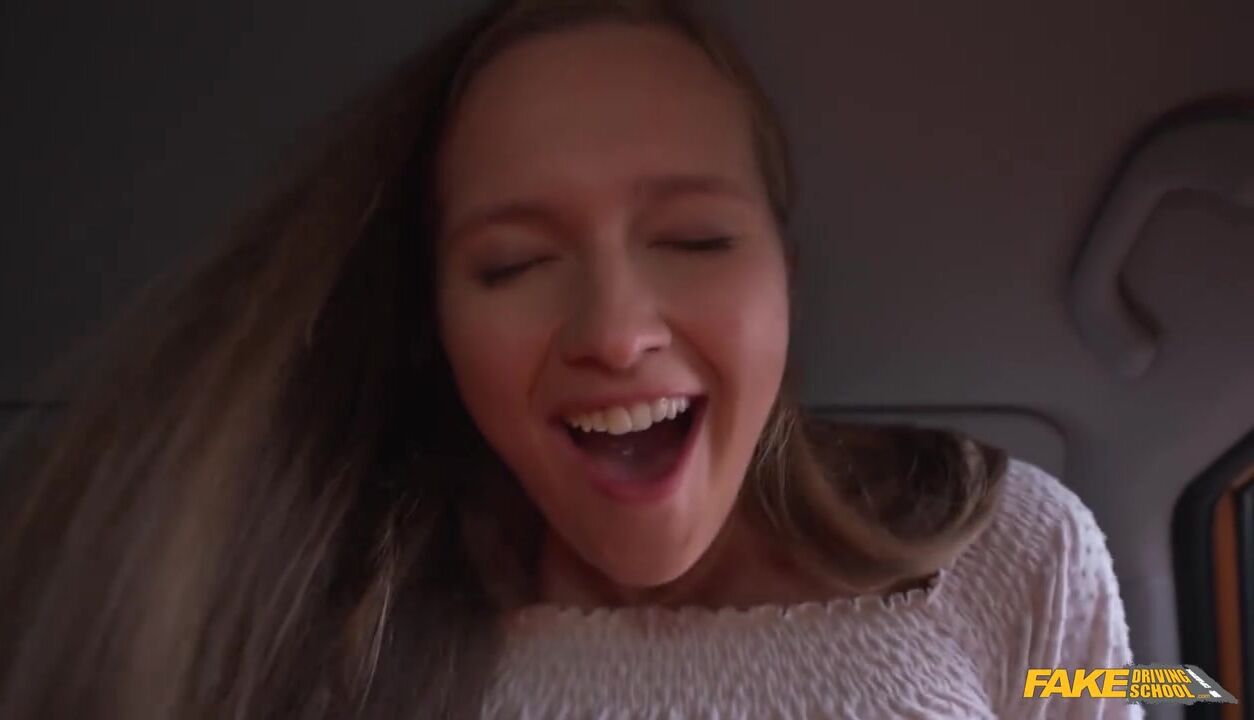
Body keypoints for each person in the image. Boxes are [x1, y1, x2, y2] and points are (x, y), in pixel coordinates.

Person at [0, 1, 1141, 717]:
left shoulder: (1010, 549)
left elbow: (1143, 685)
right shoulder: (336, 621)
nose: (614, 330)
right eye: (513, 265)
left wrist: (1206, 683)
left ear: (783, 279)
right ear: (438, 319)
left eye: (693, 239)